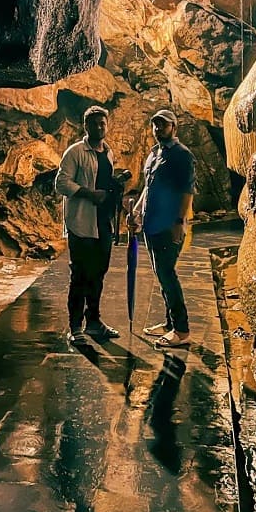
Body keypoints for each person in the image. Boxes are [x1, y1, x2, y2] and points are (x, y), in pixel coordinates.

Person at [127, 109, 196, 349]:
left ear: (173, 128)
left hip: (168, 225)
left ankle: (181, 329)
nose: (158, 129)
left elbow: (187, 190)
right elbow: (149, 187)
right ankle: (169, 324)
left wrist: (179, 222)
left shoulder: (181, 155)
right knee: (162, 274)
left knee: (167, 275)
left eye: (163, 125)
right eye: (155, 125)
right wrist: (136, 211)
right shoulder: (154, 153)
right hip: (151, 223)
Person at [54, 105, 121, 343]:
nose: (99, 127)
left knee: (98, 273)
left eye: (102, 123)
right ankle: (75, 327)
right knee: (80, 275)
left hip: (103, 223)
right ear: (86, 126)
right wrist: (89, 194)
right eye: (94, 124)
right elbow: (61, 183)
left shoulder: (108, 152)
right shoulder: (75, 152)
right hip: (82, 223)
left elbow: (104, 179)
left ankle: (94, 321)